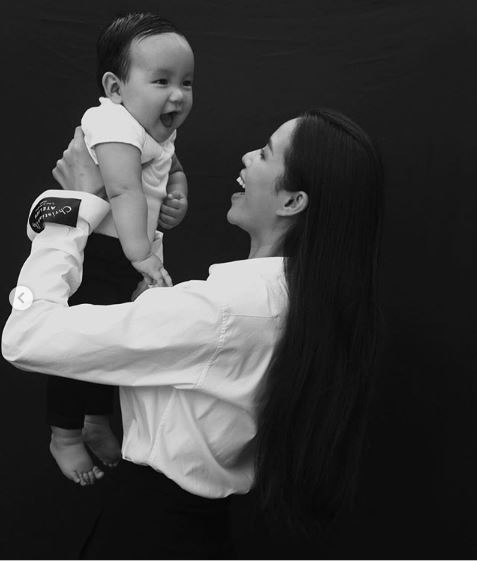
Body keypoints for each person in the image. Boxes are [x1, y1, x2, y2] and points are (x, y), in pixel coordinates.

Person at [2, 108, 384, 557]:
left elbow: (26, 337)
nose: (247, 157)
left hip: (147, 538)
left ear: (292, 202)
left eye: (265, 153)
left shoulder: (224, 311)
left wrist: (68, 205)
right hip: (193, 530)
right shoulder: (291, 303)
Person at [44, 12, 194, 485]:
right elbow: (123, 189)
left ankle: (96, 419)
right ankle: (64, 433)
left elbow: (171, 169)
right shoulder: (111, 122)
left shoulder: (156, 129)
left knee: (112, 344)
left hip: (127, 254)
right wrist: (142, 255)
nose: (178, 94)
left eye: (187, 82)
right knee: (76, 345)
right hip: (98, 253)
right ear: (115, 87)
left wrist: (178, 197)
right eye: (162, 81)